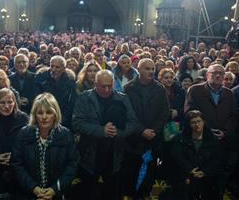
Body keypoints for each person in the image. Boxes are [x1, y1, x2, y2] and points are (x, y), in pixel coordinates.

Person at [72, 70, 138, 200]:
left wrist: (117, 132)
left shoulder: (122, 98)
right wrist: (101, 131)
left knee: (112, 192)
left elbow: (133, 122)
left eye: (110, 85)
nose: (107, 89)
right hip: (90, 153)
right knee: (89, 192)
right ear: (95, 84)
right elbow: (77, 123)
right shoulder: (85, 98)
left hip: (114, 154)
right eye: (103, 86)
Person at [10, 93, 79, 200]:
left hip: (57, 194)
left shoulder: (66, 135)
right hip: (28, 194)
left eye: (49, 112)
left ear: (55, 114)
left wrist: (54, 189)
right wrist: (34, 188)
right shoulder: (23, 134)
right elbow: (16, 164)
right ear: (34, 114)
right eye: (40, 113)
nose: (44, 117)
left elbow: (72, 165)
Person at [184, 64, 237, 197]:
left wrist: (225, 132)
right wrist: (206, 130)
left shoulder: (229, 93)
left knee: (218, 177)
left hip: (222, 141)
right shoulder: (195, 90)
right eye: (214, 73)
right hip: (200, 141)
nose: (218, 75)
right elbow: (189, 112)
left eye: (221, 73)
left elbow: (233, 116)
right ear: (207, 75)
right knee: (199, 177)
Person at [122, 58, 170, 199]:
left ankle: (145, 193)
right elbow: (127, 113)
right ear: (139, 69)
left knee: (149, 170)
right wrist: (141, 130)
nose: (151, 71)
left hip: (153, 138)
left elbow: (164, 112)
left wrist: (153, 130)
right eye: (147, 69)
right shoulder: (128, 88)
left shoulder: (160, 88)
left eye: (152, 69)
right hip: (134, 139)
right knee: (131, 169)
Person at [0, 88, 29, 199]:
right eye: (2, 102)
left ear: (14, 102)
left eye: (10, 102)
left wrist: (16, 156)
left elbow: (31, 145)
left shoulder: (24, 119)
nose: (6, 106)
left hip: (21, 168)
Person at [171, 110, 221, 200]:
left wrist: (204, 171)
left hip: (206, 178)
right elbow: (177, 155)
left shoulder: (212, 139)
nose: (197, 125)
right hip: (185, 175)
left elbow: (217, 159)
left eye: (199, 121)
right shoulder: (180, 138)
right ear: (189, 125)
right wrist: (189, 169)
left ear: (203, 122)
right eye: (193, 122)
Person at [36, 56, 76, 129]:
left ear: (64, 68)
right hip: (43, 117)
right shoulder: (41, 78)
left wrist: (61, 118)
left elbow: (72, 103)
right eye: (52, 66)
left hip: (63, 120)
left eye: (57, 67)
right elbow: (36, 98)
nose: (53, 69)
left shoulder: (70, 81)